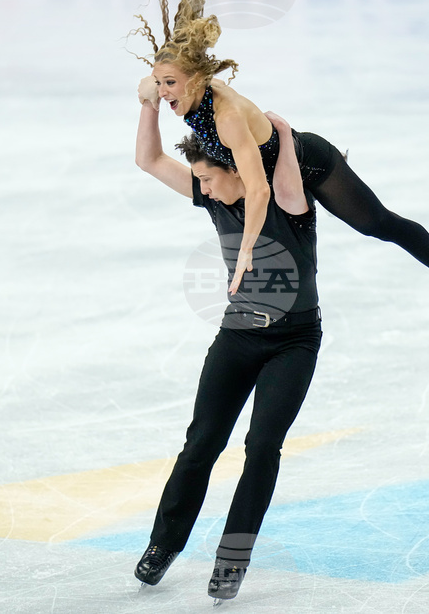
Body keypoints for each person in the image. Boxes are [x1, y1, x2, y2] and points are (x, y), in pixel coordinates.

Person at [131, 0, 429, 341]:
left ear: (197, 78)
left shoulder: (228, 117)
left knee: (377, 224)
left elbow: (259, 190)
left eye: (170, 83)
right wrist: (150, 96)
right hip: (277, 171)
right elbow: (151, 148)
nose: (162, 91)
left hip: (309, 164)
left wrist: (246, 251)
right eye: (159, 82)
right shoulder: (186, 91)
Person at [132, 80, 321, 602]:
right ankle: (164, 544)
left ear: (237, 169)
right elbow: (149, 160)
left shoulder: (287, 202)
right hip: (237, 339)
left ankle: (232, 559)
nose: (204, 190)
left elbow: (274, 147)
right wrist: (149, 103)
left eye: (208, 179)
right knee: (201, 443)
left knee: (261, 447)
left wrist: (282, 134)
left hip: (294, 343)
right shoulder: (213, 198)